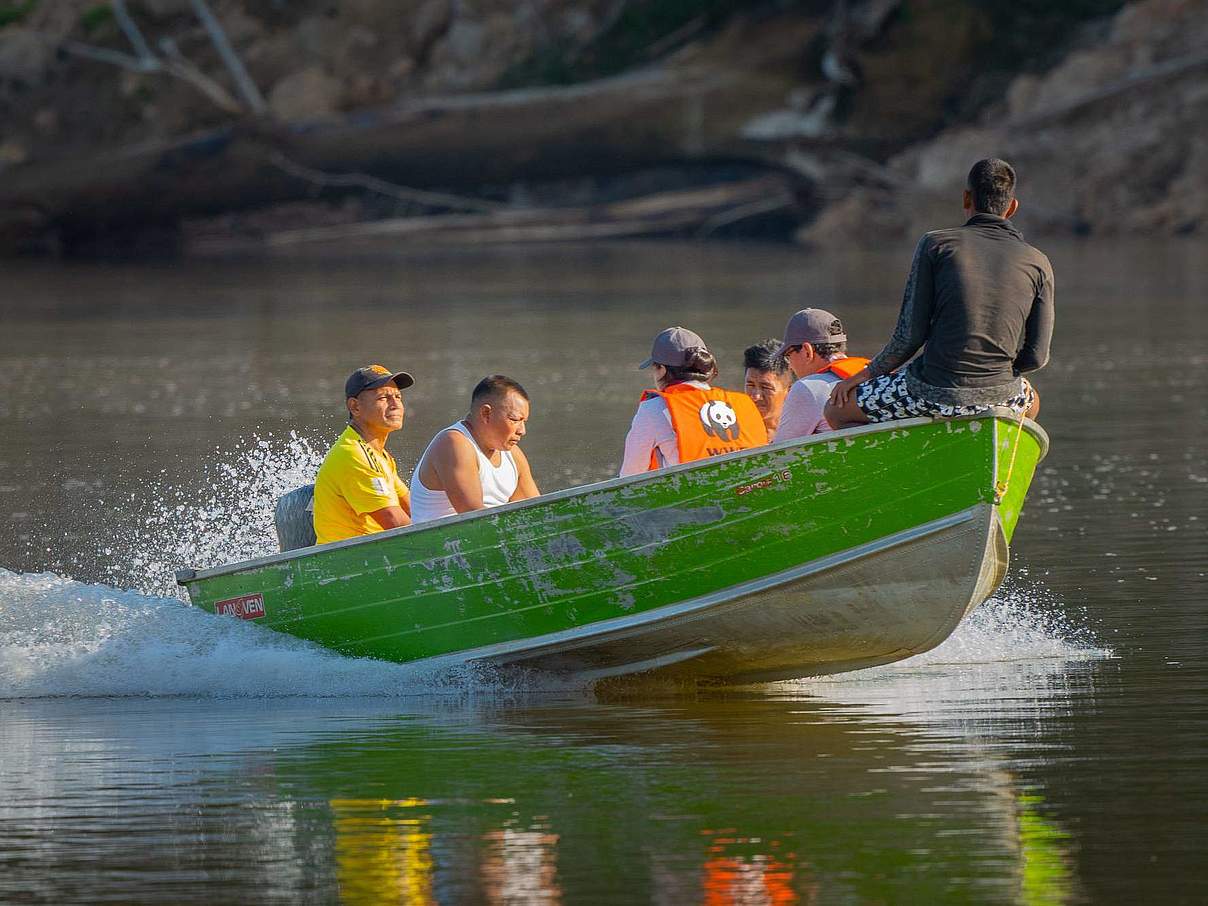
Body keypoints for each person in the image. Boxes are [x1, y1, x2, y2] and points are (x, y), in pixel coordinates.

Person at [825, 158, 1052, 428]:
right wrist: (999, 375)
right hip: (1003, 395)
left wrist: (863, 376)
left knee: (835, 411)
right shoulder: (1039, 262)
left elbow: (909, 336)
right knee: (1032, 402)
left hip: (931, 391)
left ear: (966, 198)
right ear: (1012, 207)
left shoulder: (936, 245)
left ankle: (900, 466)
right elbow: (1037, 356)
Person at [620, 326, 767, 477]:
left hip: (691, 492)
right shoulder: (742, 402)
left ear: (662, 370)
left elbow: (630, 475)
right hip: (749, 485)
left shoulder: (653, 409)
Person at [410, 374, 540, 523]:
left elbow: (537, 513)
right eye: (515, 420)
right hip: (444, 542)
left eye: (524, 422)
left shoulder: (514, 455)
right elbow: (474, 519)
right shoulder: (453, 443)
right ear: (486, 413)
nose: (522, 430)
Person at [312, 364, 414, 546]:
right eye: (384, 397)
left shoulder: (379, 455)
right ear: (355, 407)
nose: (395, 404)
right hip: (347, 564)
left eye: (398, 396)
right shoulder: (354, 454)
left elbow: (416, 509)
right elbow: (396, 523)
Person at [773, 309, 870, 441]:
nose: (789, 366)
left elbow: (779, 455)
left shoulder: (807, 388)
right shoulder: (872, 372)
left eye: (788, 356)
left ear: (807, 351)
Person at [743, 339, 794, 440]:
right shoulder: (731, 434)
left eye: (766, 387)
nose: (756, 397)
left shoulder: (804, 434)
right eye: (750, 385)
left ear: (789, 390)